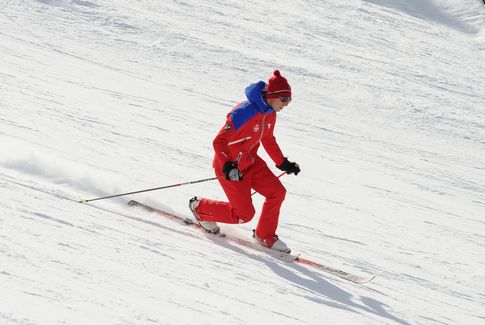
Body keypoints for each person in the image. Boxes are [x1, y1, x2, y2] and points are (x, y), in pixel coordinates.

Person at [189, 70, 300, 253]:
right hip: (231, 168)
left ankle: (265, 235)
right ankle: (200, 208)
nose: (286, 105)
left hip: (251, 161)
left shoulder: (271, 113)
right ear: (272, 96)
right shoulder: (244, 112)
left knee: (277, 192)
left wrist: (283, 163)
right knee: (243, 215)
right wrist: (228, 165)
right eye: (284, 100)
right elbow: (219, 141)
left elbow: (268, 139)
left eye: (289, 100)